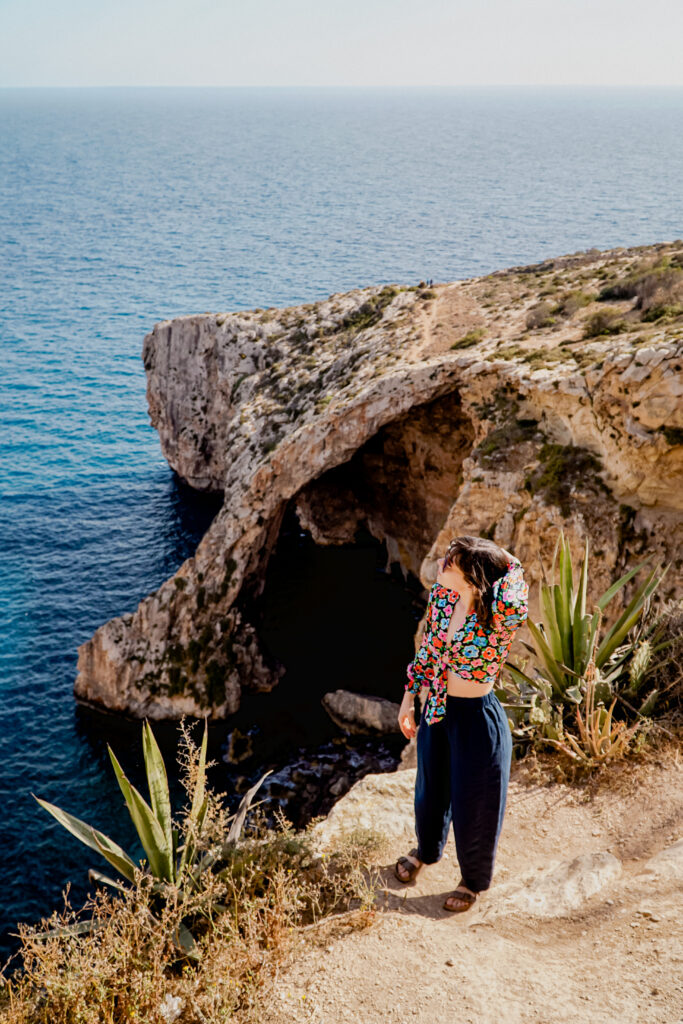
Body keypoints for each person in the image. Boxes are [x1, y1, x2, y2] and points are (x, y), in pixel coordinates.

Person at [395, 535, 528, 912]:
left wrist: (495, 557)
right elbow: (427, 652)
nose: (441, 564)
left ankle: (472, 880)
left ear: (473, 579)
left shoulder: (501, 615)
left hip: (477, 719)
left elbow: (515, 572)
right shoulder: (443, 598)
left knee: (477, 803)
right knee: (430, 790)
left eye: (452, 562)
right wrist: (409, 699)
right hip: (437, 709)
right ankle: (426, 851)